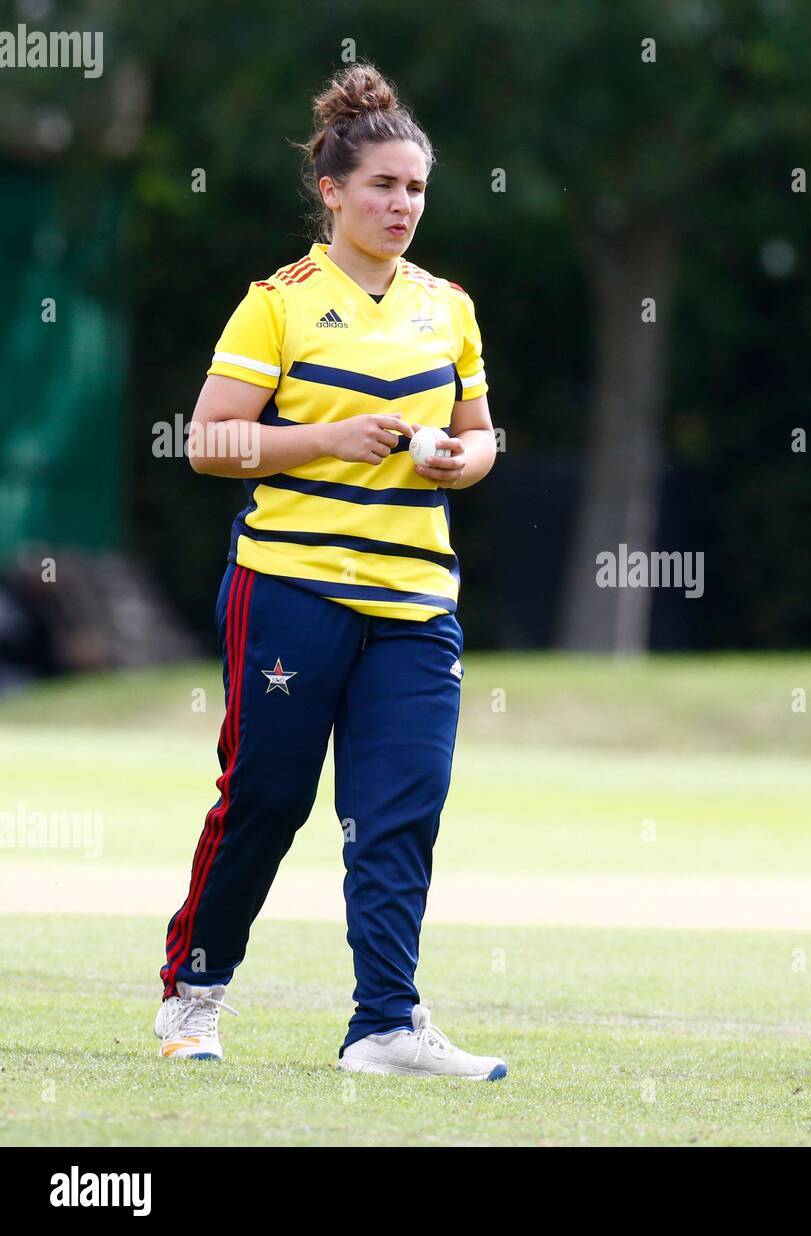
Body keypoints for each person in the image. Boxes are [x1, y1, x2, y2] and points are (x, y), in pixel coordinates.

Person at [153, 64, 506, 1080]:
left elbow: (482, 440)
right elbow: (208, 441)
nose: (402, 206)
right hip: (291, 591)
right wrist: (326, 437)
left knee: (399, 809)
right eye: (383, 186)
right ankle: (194, 994)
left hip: (414, 603)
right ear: (333, 192)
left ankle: (386, 1025)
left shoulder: (451, 310)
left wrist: (459, 460)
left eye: (416, 190)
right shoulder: (278, 305)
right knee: (266, 797)